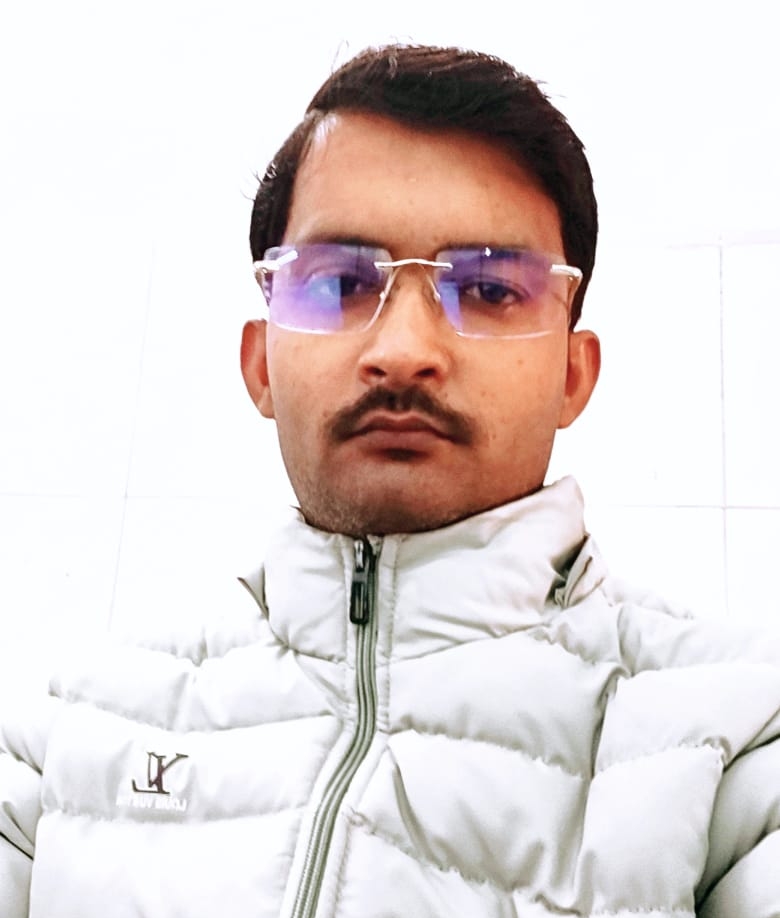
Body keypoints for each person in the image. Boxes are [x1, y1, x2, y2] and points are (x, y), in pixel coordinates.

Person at [2, 42, 780, 918]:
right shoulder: (67, 741)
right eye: (340, 282)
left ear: (573, 374)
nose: (404, 351)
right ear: (260, 364)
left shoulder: (736, 742)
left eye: (490, 290)